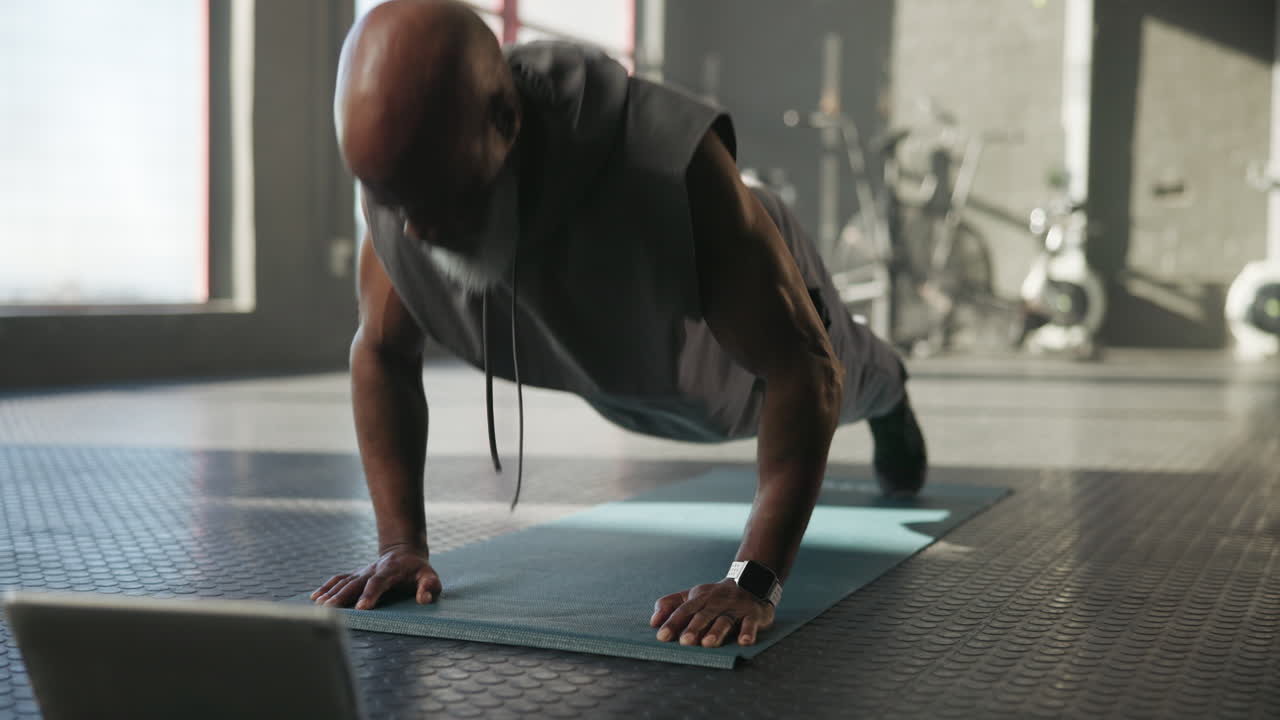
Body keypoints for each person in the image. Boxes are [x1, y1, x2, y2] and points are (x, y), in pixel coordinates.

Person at [311, 0, 927, 651]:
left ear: (505, 120)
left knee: (850, 366)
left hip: (723, 359)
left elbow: (803, 367)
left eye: (433, 194)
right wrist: (400, 545)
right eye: (389, 197)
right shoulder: (406, 169)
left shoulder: (670, 165)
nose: (414, 230)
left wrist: (752, 581)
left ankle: (894, 396)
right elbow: (381, 352)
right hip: (610, 370)